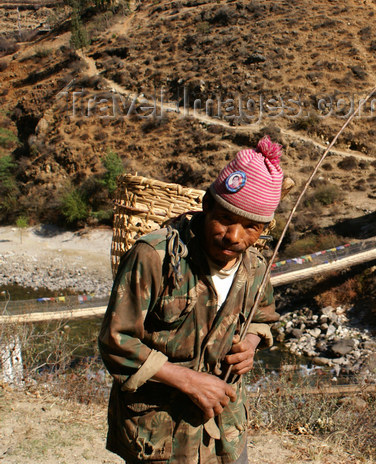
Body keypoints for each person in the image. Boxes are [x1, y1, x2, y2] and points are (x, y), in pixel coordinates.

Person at [98, 136, 284, 463]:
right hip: (159, 437)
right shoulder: (155, 257)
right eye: (225, 218)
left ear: (264, 228)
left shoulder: (256, 267)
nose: (234, 236)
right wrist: (187, 380)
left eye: (251, 227)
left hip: (225, 433)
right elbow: (116, 340)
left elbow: (264, 317)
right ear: (206, 204)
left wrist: (252, 343)